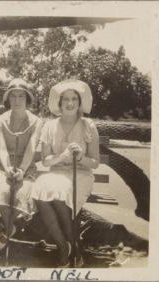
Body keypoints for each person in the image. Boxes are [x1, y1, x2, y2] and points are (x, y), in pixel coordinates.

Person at [30, 79, 100, 267]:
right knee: (40, 190)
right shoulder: (50, 126)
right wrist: (63, 156)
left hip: (81, 175)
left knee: (59, 192)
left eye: (74, 99)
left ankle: (73, 248)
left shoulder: (88, 125)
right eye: (65, 99)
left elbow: (95, 163)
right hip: (56, 172)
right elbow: (45, 160)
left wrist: (79, 158)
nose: (69, 103)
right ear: (59, 103)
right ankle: (65, 246)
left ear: (80, 103)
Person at [0, 78, 43, 251]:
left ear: (27, 99)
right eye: (13, 96)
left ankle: (5, 227)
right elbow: (2, 148)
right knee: (2, 189)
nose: (18, 100)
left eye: (22, 96)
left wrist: (21, 170)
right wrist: (8, 169)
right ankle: (10, 227)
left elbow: (32, 148)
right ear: (8, 99)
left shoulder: (36, 122)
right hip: (4, 166)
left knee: (23, 192)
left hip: (26, 167)